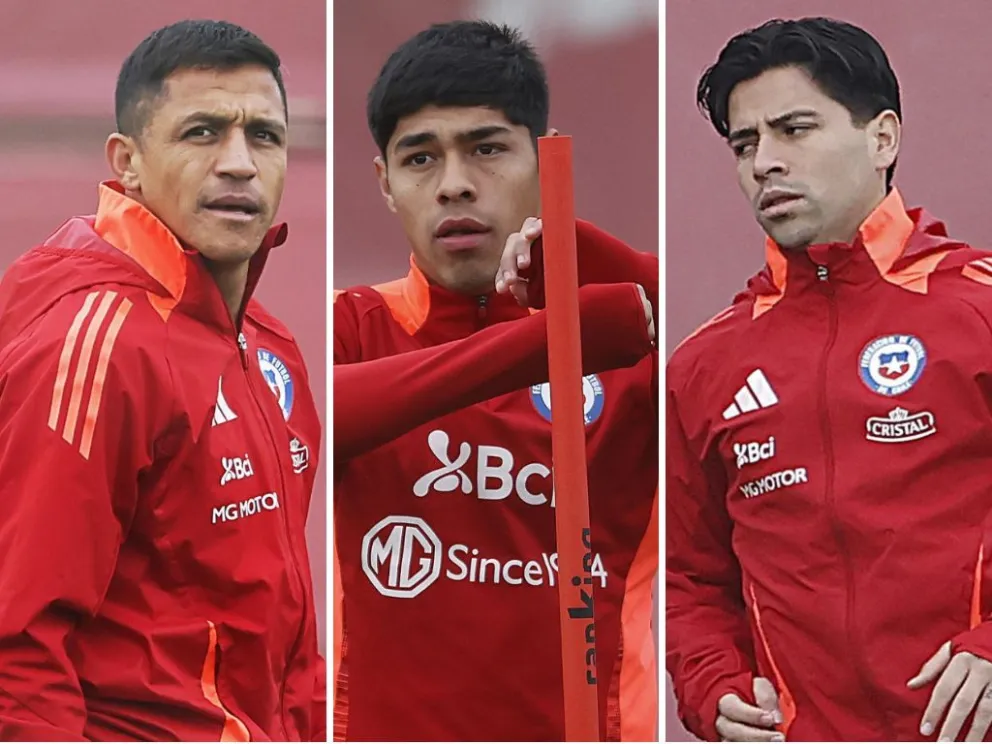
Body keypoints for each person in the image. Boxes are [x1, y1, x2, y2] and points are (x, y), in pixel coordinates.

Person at [667, 15, 992, 742]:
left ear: (883, 138)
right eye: (745, 143)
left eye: (794, 130)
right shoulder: (703, 365)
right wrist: (712, 688)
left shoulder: (980, 308)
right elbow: (690, 581)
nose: (764, 163)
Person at [333, 20, 658, 742]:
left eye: (486, 149)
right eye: (420, 158)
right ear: (385, 184)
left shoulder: (629, 336)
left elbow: (725, 324)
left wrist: (579, 253)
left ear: (545, 162)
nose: (454, 184)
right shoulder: (350, 327)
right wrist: (541, 345)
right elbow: (313, 418)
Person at [0, 20, 324, 741]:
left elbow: (281, 636)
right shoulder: (95, 345)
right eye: (203, 132)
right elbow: (16, 647)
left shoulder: (270, 344)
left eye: (264, 136)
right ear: (129, 162)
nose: (239, 163)